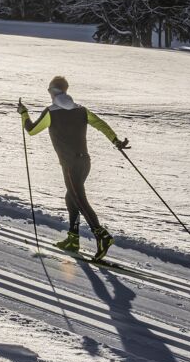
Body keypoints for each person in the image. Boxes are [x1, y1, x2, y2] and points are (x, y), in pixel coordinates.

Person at [18, 76, 129, 260]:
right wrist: (115, 140)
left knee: (78, 198)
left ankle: (102, 235)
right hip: (85, 162)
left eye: (49, 91)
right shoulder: (81, 110)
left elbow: (31, 130)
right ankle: (73, 239)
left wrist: (23, 113)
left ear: (54, 92)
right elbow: (100, 124)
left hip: (70, 165)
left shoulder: (51, 112)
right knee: (71, 198)